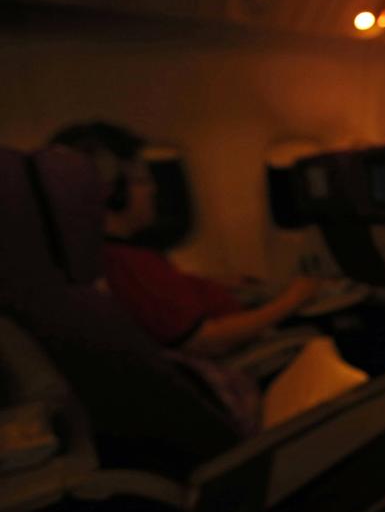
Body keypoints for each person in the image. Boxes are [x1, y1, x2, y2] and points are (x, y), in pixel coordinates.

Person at [51, 121, 368, 430]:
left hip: (241, 337)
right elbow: (205, 340)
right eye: (143, 181)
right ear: (112, 192)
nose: (154, 190)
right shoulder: (126, 264)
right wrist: (292, 299)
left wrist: (215, 284)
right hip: (245, 361)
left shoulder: (118, 255)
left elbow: (167, 304)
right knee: (359, 332)